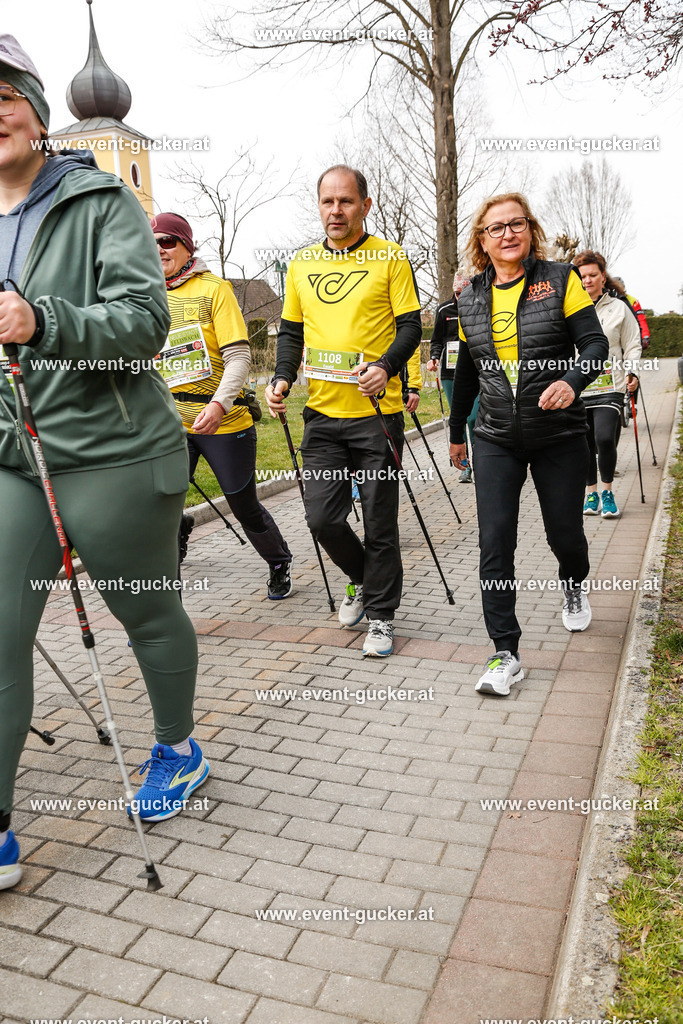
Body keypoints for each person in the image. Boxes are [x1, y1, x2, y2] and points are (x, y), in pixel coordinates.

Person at [0, 40, 210, 890]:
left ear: (35, 111)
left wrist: (41, 322)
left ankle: (178, 749)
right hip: (15, 456)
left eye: (3, 96)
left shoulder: (99, 199)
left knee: (145, 614)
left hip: (114, 451)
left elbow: (143, 322)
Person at [449, 192, 608, 697]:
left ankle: (573, 583)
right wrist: (455, 433)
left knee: (565, 535)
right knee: (495, 541)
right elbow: (468, 372)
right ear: (481, 240)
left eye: (516, 224)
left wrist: (572, 381)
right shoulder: (470, 298)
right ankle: (505, 652)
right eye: (495, 228)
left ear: (530, 229)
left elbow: (595, 344)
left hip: (559, 435)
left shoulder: (559, 280)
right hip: (495, 438)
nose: (507, 234)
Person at [265, 164, 422, 657]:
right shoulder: (301, 264)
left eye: (346, 201)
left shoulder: (390, 257)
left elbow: (411, 327)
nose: (336, 210)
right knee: (321, 519)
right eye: (327, 201)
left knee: (379, 522)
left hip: (377, 415)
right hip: (323, 417)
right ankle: (362, 579)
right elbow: (291, 333)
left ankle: (382, 616)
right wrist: (282, 377)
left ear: (365, 206)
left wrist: (387, 367)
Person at [150, 213, 293, 598]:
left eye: (167, 241)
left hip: (223, 421)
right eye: (151, 242)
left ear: (187, 246)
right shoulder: (146, 294)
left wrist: (218, 405)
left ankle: (279, 560)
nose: (158, 249)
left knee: (242, 505)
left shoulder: (215, 289)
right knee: (161, 510)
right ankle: (167, 608)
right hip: (170, 423)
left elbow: (239, 357)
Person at [573, 251, 641, 518]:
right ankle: (591, 494)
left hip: (611, 385)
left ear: (603, 276)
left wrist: (633, 372)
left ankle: (608, 492)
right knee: (585, 442)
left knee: (603, 437)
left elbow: (632, 344)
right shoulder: (570, 309)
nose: (587, 280)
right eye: (583, 276)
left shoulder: (619, 308)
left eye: (593, 275)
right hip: (580, 386)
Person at [427, 272, 476, 482]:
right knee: (459, 418)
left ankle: (481, 461)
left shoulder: (478, 305)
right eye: (457, 293)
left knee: (474, 418)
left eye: (463, 292)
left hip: (474, 372)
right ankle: (465, 466)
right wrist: (434, 357)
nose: (459, 297)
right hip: (450, 372)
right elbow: (436, 339)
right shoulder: (444, 310)